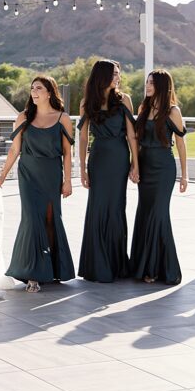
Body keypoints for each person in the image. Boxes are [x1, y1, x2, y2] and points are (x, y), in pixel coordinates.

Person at [0, 76, 76, 292]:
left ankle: (52, 269)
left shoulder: (62, 118)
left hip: (51, 174)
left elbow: (68, 154)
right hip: (28, 174)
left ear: (50, 92)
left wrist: (68, 181)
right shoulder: (23, 117)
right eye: (32, 88)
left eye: (39, 88)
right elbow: (14, 149)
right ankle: (33, 274)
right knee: (32, 219)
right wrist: (2, 175)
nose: (34, 92)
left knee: (50, 219)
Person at [77, 59, 138, 282]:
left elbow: (132, 134)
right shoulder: (86, 102)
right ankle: (96, 265)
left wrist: (135, 163)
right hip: (99, 158)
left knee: (116, 207)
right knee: (98, 207)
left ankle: (116, 264)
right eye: (114, 73)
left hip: (119, 157)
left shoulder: (125, 99)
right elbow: (83, 137)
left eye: (118, 73)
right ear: (102, 75)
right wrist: (82, 169)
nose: (118, 77)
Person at [130, 70, 187, 285]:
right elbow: (135, 138)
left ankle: (157, 268)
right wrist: (134, 165)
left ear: (163, 86)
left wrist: (184, 175)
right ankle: (143, 265)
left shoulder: (173, 111)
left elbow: (181, 143)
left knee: (158, 214)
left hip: (163, 167)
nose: (147, 85)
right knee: (144, 213)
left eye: (152, 82)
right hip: (144, 165)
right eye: (147, 82)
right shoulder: (143, 108)